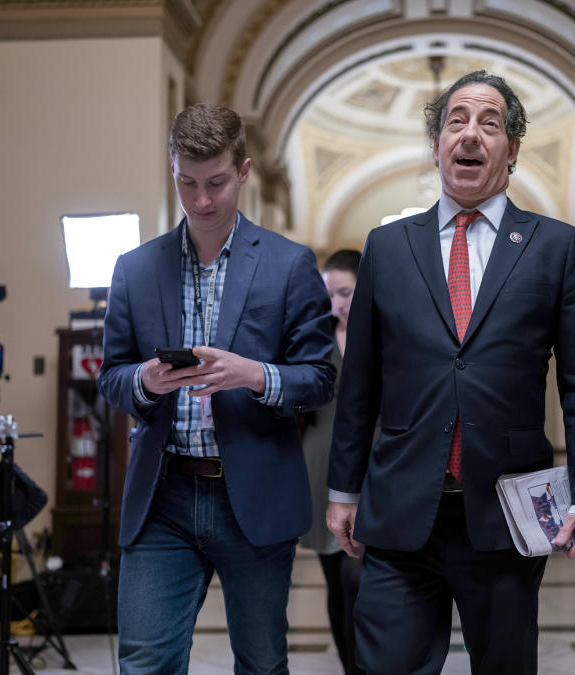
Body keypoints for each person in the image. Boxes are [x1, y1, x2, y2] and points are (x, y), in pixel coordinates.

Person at [326, 70, 575, 675]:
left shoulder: (554, 247)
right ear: (436, 147)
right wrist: (343, 490)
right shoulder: (386, 246)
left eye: (490, 123)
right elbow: (359, 386)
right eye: (456, 121)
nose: (471, 134)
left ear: (511, 150)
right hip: (401, 512)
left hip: (506, 517)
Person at [97, 102, 335, 673]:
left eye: (217, 183)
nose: (202, 200)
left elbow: (321, 378)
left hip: (252, 493)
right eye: (187, 183)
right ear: (173, 172)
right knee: (145, 663)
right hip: (163, 497)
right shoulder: (134, 268)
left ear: (245, 171)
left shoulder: (289, 265)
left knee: (260, 661)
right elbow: (112, 375)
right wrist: (147, 382)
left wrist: (253, 374)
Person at [299, 249, 365, 675]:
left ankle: (368, 665)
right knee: (334, 578)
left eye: (345, 292)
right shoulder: (314, 337)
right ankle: (350, 668)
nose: (336, 304)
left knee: (357, 575)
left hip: (367, 460)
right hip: (318, 461)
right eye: (329, 295)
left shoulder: (382, 332)